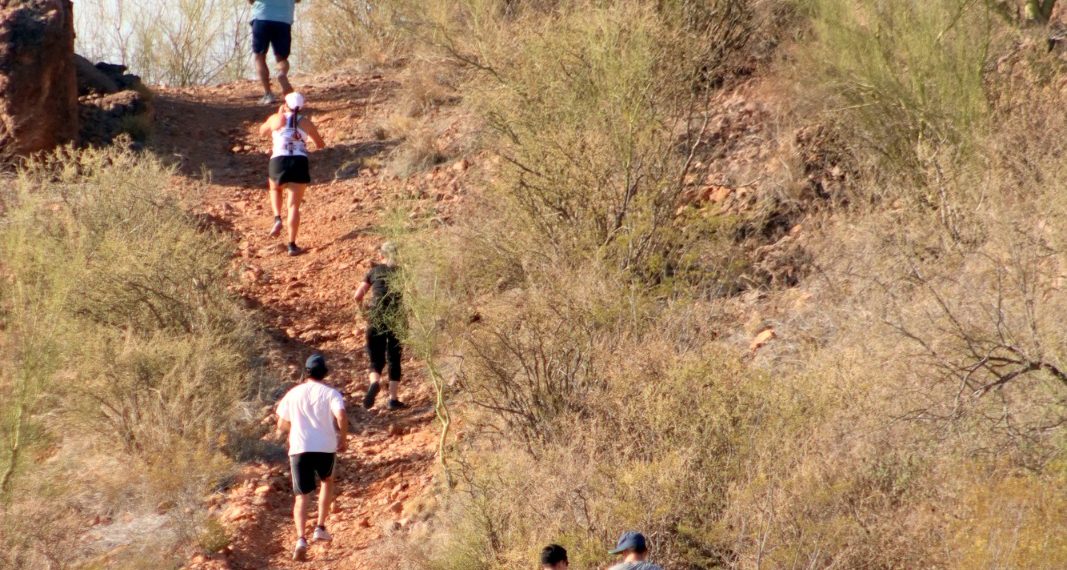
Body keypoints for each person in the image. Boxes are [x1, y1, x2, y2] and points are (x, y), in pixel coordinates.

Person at [275, 353, 348, 561]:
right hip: (325, 446)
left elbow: (281, 424)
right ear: (324, 373)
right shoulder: (331, 393)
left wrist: (293, 429)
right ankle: (320, 527)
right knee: (327, 481)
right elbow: (341, 416)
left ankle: (301, 539)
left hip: (300, 447)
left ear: (306, 372)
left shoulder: (293, 393)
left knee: (301, 496)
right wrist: (343, 438)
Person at [258, 92, 325, 256]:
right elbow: (320, 144)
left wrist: (278, 116)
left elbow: (262, 132)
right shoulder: (306, 122)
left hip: (278, 159)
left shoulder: (276, 118)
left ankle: (277, 218)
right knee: (294, 206)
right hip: (299, 161)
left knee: (275, 189)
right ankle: (292, 245)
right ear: (301, 107)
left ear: (285, 104)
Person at [354, 242, 407, 411]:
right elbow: (413, 294)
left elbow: (357, 296)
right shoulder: (402, 273)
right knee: (394, 358)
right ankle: (393, 400)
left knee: (376, 358)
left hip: (376, 316)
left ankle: (374, 382)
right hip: (396, 318)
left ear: (381, 255)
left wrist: (363, 312)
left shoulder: (374, 271)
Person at [249, 0, 300, 105]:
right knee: (282, 58)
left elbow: (250, 1)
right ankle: (282, 74)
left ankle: (268, 94)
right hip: (283, 20)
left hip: (261, 17)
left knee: (259, 57)